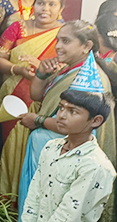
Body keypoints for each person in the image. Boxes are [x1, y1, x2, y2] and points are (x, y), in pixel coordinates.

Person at [16, 21, 117, 218]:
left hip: (70, 159)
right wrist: (42, 74)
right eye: (58, 40)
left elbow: (73, 125)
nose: (58, 46)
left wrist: (37, 120)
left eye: (66, 41)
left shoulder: (90, 79)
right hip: (53, 151)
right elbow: (38, 96)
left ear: (86, 46)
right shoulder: (67, 68)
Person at [0, 0, 66, 200]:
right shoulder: (17, 27)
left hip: (47, 103)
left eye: (52, 4)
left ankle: (32, 202)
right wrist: (18, 69)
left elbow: (69, 70)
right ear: (34, 4)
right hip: (14, 99)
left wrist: (41, 69)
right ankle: (8, 199)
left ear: (61, 8)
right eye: (41, 3)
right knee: (11, 147)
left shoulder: (65, 34)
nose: (45, 8)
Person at [22, 89, 116, 222]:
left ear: (95, 121)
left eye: (73, 111)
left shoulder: (96, 166)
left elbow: (68, 215)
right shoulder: (52, 147)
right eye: (61, 108)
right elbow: (34, 195)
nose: (61, 116)